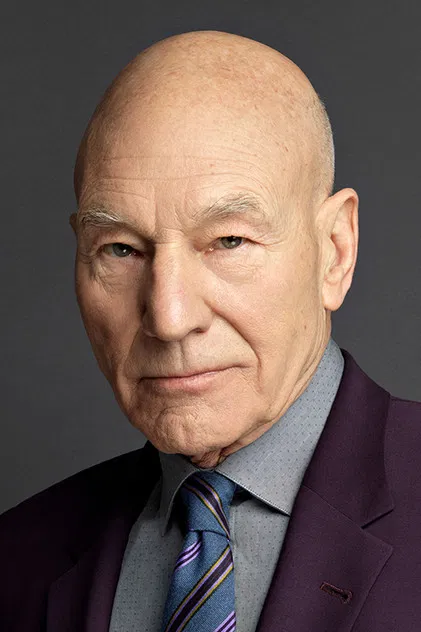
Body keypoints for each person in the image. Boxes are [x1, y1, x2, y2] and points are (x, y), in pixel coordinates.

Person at [1, 29, 421, 632]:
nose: (169, 318)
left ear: (335, 251)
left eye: (228, 241)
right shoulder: (18, 560)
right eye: (121, 249)